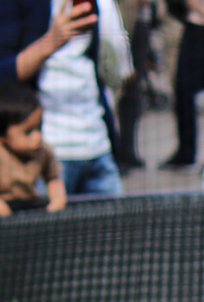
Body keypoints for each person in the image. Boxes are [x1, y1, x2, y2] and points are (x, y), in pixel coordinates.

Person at [0, 0, 131, 198]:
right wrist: (50, 42)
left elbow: (104, 70)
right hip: (47, 154)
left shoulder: (98, 5)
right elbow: (4, 72)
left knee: (116, 228)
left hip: (98, 147)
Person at [160, 0, 204, 168]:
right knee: (185, 93)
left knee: (188, 90)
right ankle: (189, 151)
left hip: (201, 28)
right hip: (194, 25)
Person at [0, 76, 63, 213]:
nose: (37, 137)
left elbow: (53, 177)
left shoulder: (43, 151)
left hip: (29, 210)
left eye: (39, 128)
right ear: (3, 136)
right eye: (28, 132)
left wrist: (57, 201)